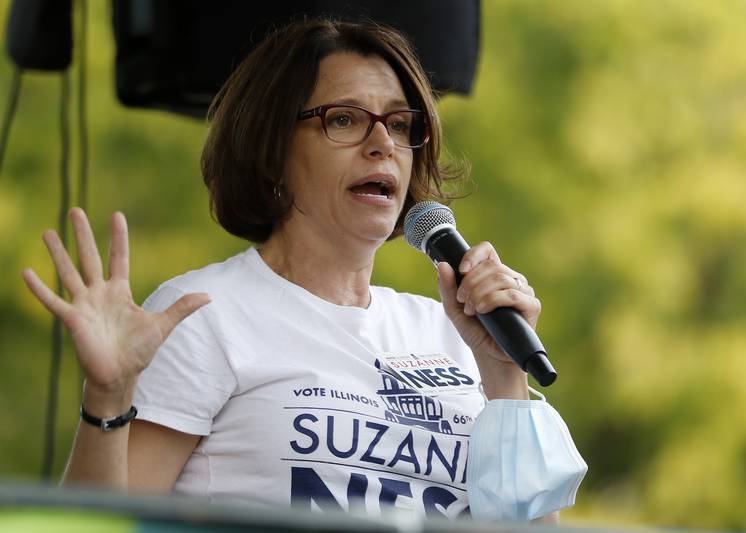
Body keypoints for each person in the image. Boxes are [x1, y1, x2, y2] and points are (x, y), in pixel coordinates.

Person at [22, 19, 559, 522]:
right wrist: (109, 398)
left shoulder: (450, 330)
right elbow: (92, 526)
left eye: (400, 124)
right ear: (272, 147)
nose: (382, 145)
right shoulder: (206, 312)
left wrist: (503, 374)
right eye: (344, 119)